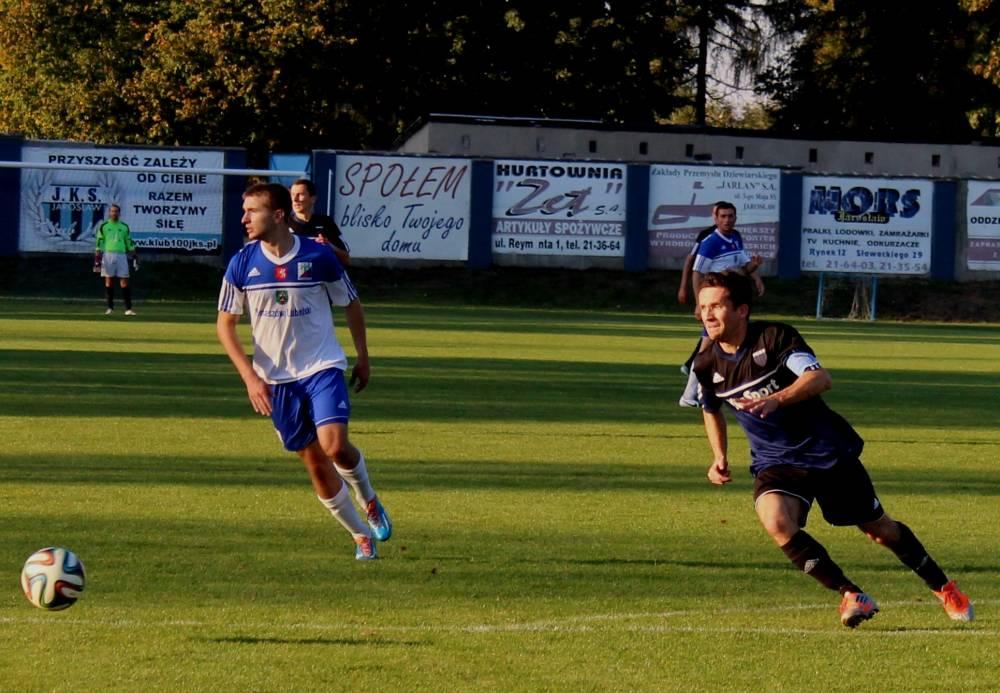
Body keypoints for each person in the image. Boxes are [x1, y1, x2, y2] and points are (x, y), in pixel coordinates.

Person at [692, 271, 973, 627]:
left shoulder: (775, 337)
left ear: (742, 309)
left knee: (879, 531)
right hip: (775, 462)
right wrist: (719, 456)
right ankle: (851, 594)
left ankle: (944, 586)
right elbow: (710, 408)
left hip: (826, 452)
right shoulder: (705, 363)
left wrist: (778, 399)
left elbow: (820, 378)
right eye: (703, 307)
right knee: (776, 521)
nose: (708, 314)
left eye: (716, 305)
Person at [216, 182, 391, 560]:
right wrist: (250, 377)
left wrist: (363, 356)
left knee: (334, 446)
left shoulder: (318, 255)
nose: (243, 218)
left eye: (252, 211)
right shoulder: (242, 263)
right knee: (314, 461)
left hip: (321, 366)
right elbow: (224, 325)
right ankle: (360, 535)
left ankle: (369, 498)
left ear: (277, 215)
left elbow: (351, 303)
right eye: (244, 211)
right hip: (277, 380)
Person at [679, 201, 763, 406]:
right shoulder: (711, 242)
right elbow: (697, 272)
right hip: (717, 305)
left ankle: (710, 391)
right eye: (723, 216)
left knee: (725, 345)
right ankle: (690, 395)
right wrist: (701, 303)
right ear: (715, 218)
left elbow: (741, 269)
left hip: (731, 304)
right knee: (708, 348)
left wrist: (755, 269)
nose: (727, 220)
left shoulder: (735, 238)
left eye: (731, 216)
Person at [288, 178, 350, 266]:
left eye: (300, 194)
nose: (295, 199)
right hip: (292, 276)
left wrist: (328, 246)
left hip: (321, 277)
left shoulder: (326, 222)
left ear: (313, 199)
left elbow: (345, 259)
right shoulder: (283, 224)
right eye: (292, 194)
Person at [94, 204, 138, 316]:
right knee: (109, 280)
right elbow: (99, 243)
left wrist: (135, 257)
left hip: (121, 255)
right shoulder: (104, 226)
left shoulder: (124, 227)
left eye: (116, 211)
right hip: (108, 254)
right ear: (109, 213)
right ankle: (110, 308)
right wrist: (97, 259)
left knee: (124, 281)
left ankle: (128, 309)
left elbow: (129, 243)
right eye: (112, 211)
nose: (114, 213)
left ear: (119, 213)